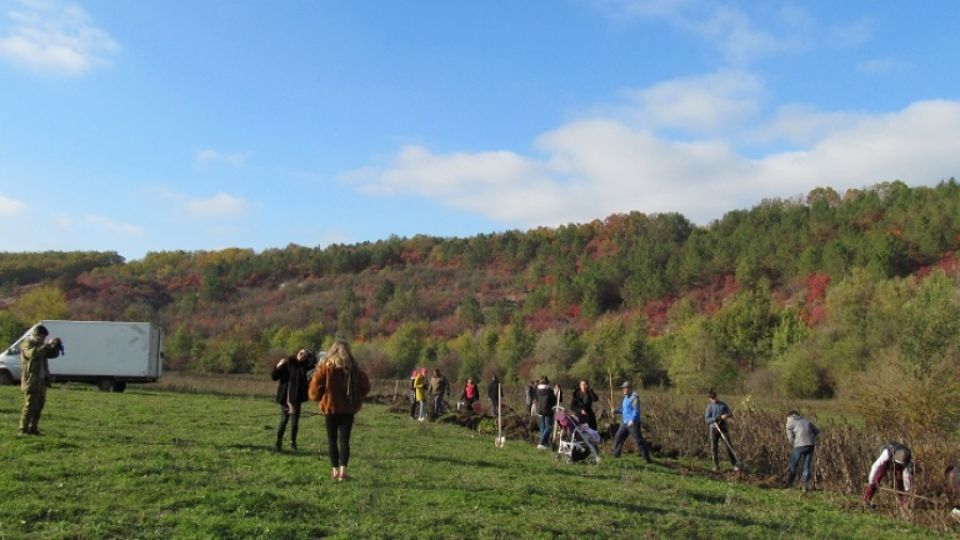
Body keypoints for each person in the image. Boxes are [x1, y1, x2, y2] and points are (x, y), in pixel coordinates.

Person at [308, 339, 371, 482]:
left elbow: (314, 389)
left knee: (332, 440)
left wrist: (320, 398)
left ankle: (335, 471)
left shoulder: (325, 367)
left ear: (332, 351)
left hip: (330, 409)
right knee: (344, 441)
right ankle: (343, 472)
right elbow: (366, 387)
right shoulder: (353, 368)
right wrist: (356, 396)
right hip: (348, 409)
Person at [18, 325, 61, 435]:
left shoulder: (41, 345)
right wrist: (46, 345)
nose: (43, 339)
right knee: (29, 405)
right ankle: (23, 429)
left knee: (39, 406)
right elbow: (32, 354)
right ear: (35, 335)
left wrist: (55, 346)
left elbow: (52, 355)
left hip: (42, 381)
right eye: (41, 337)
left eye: (44, 337)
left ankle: (33, 428)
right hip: (31, 381)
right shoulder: (27, 343)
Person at [271, 348, 315, 451]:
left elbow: (314, 360)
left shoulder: (305, 367)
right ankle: (278, 442)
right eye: (301, 353)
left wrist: (310, 352)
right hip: (285, 398)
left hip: (296, 399)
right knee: (284, 420)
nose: (302, 355)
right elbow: (274, 377)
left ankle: (293, 443)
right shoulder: (287, 363)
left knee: (295, 423)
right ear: (297, 353)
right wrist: (277, 366)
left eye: (305, 355)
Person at [863, 442, 914, 509]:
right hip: (887, 461)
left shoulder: (908, 460)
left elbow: (907, 476)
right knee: (877, 477)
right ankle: (867, 500)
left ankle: (904, 502)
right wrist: (871, 481)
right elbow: (875, 466)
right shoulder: (887, 453)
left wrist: (907, 490)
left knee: (900, 480)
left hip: (901, 465)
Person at [612, 381, 652, 462]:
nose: (624, 389)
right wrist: (616, 411)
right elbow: (623, 409)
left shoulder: (634, 398)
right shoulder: (625, 398)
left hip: (632, 423)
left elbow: (636, 411)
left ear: (630, 388)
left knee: (639, 440)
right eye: (623, 388)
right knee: (618, 437)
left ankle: (647, 459)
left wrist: (632, 420)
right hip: (625, 422)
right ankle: (616, 456)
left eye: (625, 388)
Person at [784, 410, 820, 492]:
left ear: (789, 416)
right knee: (806, 466)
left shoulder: (789, 423)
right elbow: (817, 431)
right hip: (810, 445)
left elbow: (790, 437)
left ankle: (789, 485)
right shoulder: (806, 421)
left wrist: (794, 444)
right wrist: (813, 439)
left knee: (793, 465)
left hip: (799, 445)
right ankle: (804, 487)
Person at [704, 389, 738, 471]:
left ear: (716, 396)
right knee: (714, 447)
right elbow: (707, 420)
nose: (714, 399)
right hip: (714, 429)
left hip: (723, 428)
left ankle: (734, 464)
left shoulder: (723, 405)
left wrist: (727, 416)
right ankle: (716, 465)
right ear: (709, 399)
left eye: (714, 397)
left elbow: (730, 414)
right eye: (712, 398)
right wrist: (718, 418)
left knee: (729, 445)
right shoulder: (709, 407)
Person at [535, 376, 556, 449]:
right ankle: (541, 442)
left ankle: (544, 444)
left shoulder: (537, 389)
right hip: (548, 410)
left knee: (542, 427)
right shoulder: (549, 390)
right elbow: (553, 400)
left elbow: (537, 398)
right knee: (549, 427)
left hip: (540, 409)